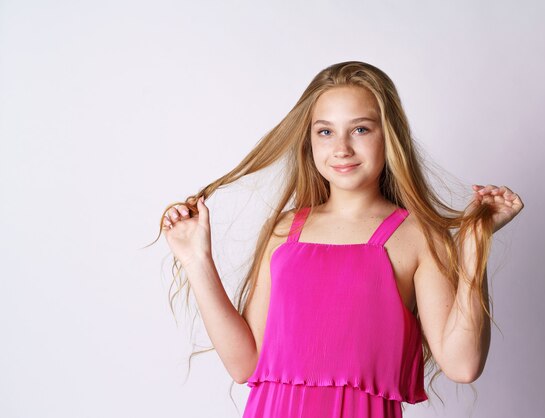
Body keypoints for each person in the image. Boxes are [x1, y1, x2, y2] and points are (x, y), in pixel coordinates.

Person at [157, 61, 524, 417]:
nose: (342, 148)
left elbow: (463, 365)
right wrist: (196, 261)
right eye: (326, 131)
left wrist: (475, 244)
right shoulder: (285, 231)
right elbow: (244, 365)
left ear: (389, 135)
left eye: (361, 129)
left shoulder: (419, 236)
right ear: (310, 140)